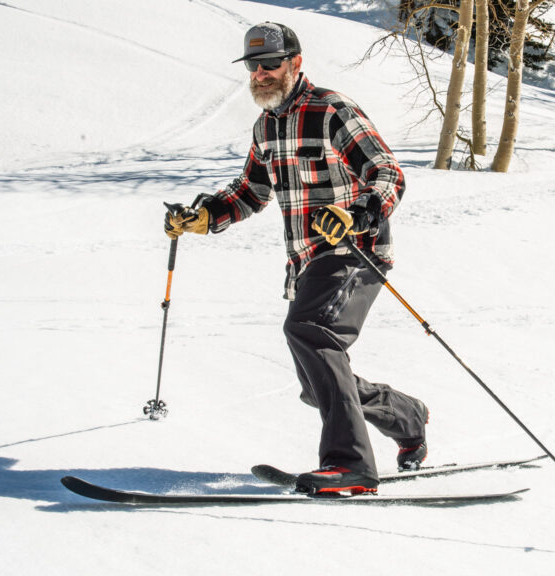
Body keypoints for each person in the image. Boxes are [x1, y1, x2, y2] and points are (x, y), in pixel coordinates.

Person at [164, 22, 428, 496]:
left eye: (271, 64)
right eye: (253, 67)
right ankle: (407, 416)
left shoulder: (332, 111)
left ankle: (351, 467)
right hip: (306, 262)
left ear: (295, 63)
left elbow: (387, 172)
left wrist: (357, 212)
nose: (261, 74)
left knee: (312, 333)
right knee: (317, 385)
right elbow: (250, 191)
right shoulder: (266, 126)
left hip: (356, 251)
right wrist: (204, 216)